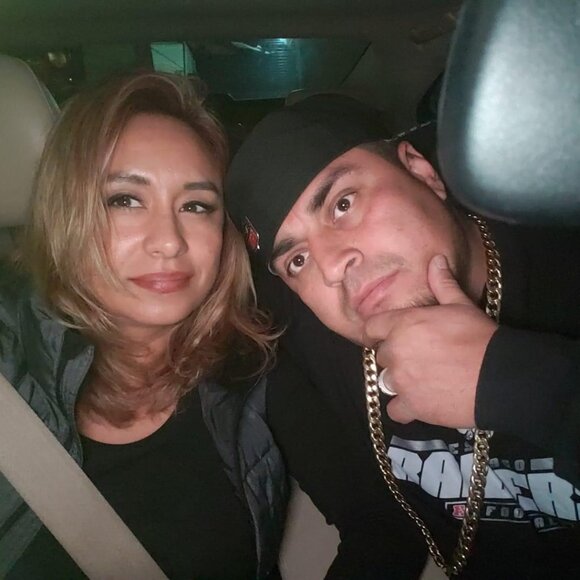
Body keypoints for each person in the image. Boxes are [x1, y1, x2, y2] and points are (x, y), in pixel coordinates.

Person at [225, 94, 580, 578]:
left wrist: (510, 381)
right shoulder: (319, 349)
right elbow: (381, 528)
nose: (332, 267)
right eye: (298, 260)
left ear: (421, 171)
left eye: (342, 204)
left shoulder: (562, 252)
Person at [0, 71, 287, 579]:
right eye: (125, 200)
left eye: (196, 206)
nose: (169, 241)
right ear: (67, 212)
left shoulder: (259, 370)